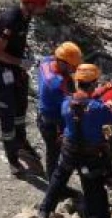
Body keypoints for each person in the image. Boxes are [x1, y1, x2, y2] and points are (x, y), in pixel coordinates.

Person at [38, 64, 112, 218]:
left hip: (69, 150)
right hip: (91, 155)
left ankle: (44, 211)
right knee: (97, 189)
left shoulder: (66, 103)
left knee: (58, 179)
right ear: (92, 84)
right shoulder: (99, 108)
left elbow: (81, 106)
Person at [0, 0, 50, 176]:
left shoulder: (25, 16)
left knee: (21, 109)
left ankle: (21, 143)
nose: (42, 9)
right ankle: (12, 158)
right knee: (7, 116)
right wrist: (20, 61)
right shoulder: (11, 19)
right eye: (41, 5)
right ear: (31, 3)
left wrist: (25, 56)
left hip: (15, 71)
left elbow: (17, 42)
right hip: (0, 72)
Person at [35, 41, 82, 176]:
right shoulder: (57, 83)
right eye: (72, 67)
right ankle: (53, 181)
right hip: (52, 121)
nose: (74, 70)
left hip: (43, 113)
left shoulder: (47, 61)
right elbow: (74, 104)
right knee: (54, 152)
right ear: (62, 62)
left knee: (53, 151)